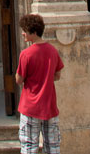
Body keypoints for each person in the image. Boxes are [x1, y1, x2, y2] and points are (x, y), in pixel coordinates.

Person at [15, 13, 64, 154]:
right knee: (53, 146)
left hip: (30, 107)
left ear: (34, 32)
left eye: (25, 30)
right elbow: (57, 75)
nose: (23, 34)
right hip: (49, 105)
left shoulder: (26, 54)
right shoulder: (53, 51)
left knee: (29, 146)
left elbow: (19, 80)